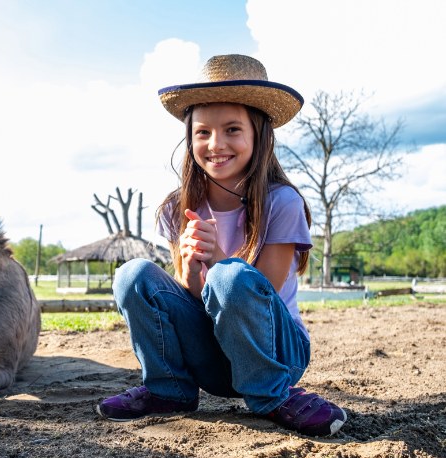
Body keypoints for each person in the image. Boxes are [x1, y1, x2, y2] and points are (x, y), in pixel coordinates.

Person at [96, 54, 347, 437]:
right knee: (134, 275)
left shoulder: (283, 202)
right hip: (215, 359)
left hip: (277, 353)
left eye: (232, 129)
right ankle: (169, 390)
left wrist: (218, 261)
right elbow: (193, 304)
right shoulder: (176, 207)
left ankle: (275, 396)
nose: (216, 144)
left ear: (258, 134)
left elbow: (263, 297)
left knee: (231, 276)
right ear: (189, 137)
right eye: (203, 132)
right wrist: (193, 270)